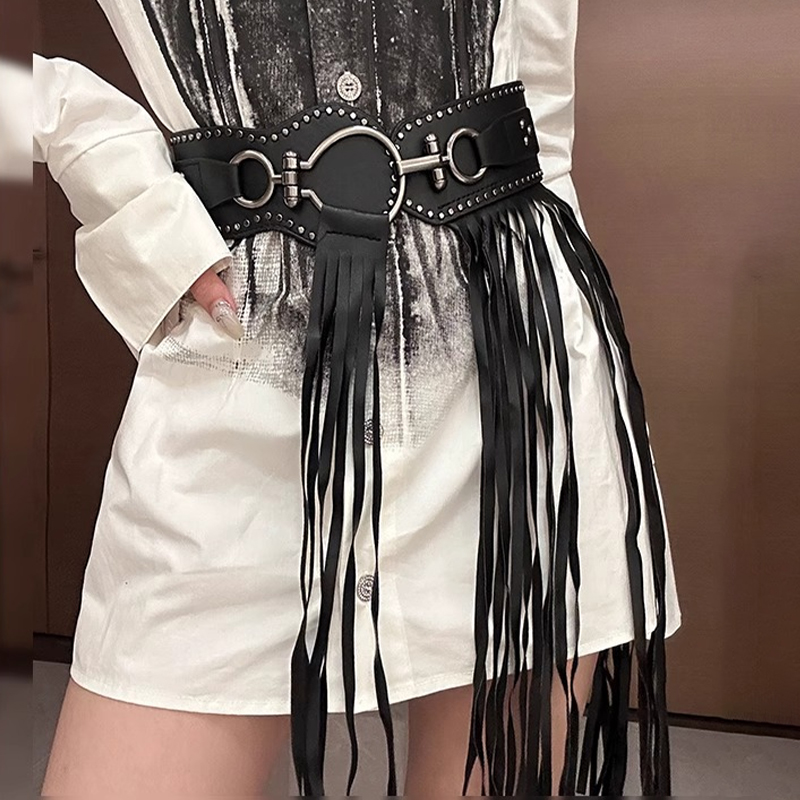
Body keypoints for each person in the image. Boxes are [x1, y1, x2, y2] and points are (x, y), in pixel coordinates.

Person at [36, 1, 682, 795]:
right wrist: (105, 162)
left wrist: (555, 320)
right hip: (243, 387)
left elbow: (539, 96)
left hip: (512, 389)